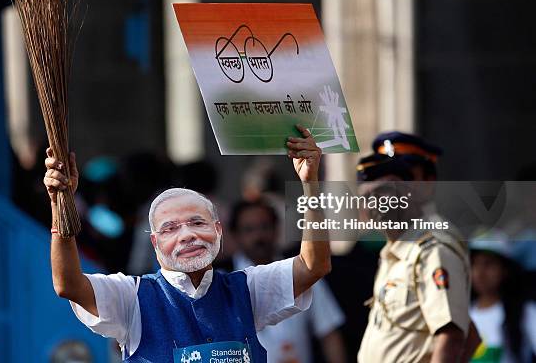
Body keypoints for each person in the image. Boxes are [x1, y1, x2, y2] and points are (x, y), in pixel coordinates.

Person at [44, 125, 331, 362]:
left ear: (218, 231)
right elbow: (68, 285)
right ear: (154, 244)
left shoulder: (247, 289)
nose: (187, 235)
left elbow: (312, 265)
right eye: (170, 228)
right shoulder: (132, 298)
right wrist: (61, 206)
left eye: (197, 223)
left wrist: (310, 184)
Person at [357, 132, 481, 363]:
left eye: (404, 177)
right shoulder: (398, 246)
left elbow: (452, 335)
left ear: (427, 182)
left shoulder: (432, 245)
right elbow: (469, 333)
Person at [226, 198, 347, 363]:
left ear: (277, 230)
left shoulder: (302, 273)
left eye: (264, 227)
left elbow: (329, 333)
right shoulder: (224, 282)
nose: (258, 236)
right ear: (235, 235)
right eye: (249, 229)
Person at [470, 235, 536, 362]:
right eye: (474, 264)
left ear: (505, 269)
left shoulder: (525, 311)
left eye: (488, 264)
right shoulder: (462, 314)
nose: (479, 272)